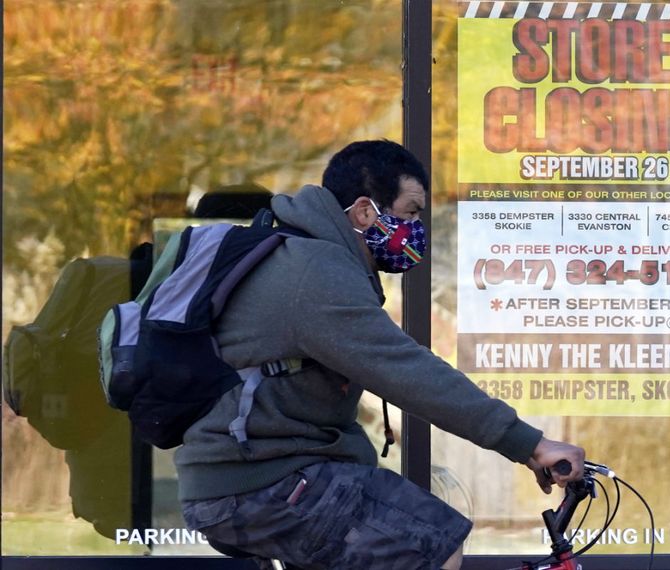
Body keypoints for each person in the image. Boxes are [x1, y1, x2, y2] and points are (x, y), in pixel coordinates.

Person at [178, 140, 586, 570]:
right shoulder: (315, 273)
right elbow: (406, 370)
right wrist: (528, 443)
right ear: (364, 212)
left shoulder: (312, 256)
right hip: (258, 482)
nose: (415, 226)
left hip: (270, 472)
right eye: (409, 212)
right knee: (431, 542)